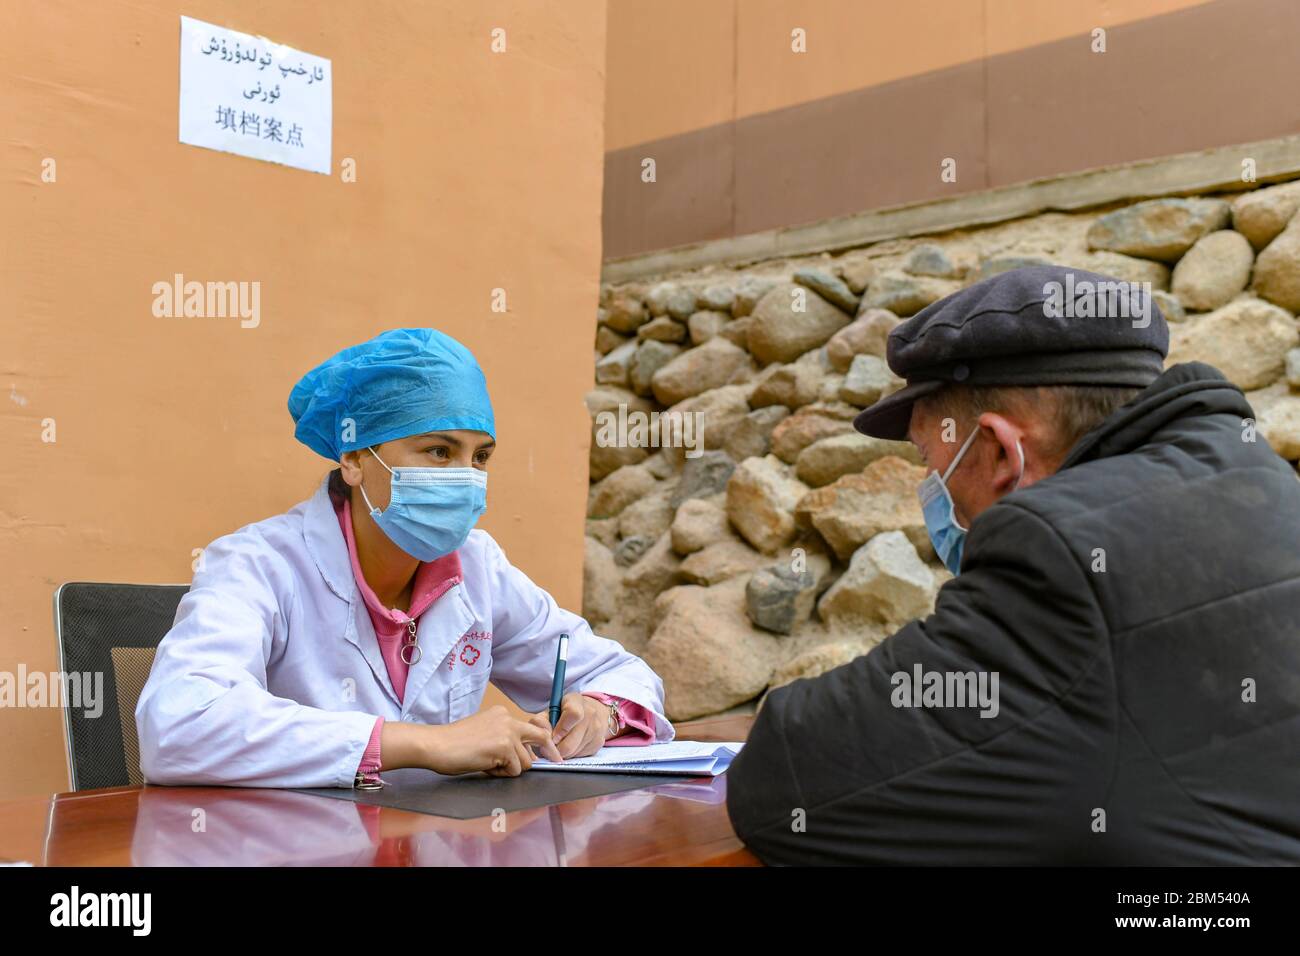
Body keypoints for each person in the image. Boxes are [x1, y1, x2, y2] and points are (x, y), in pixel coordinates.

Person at [726, 265, 1300, 864]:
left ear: (1001, 449)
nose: (930, 484)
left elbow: (787, 779)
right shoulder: (1266, 487)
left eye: (930, 456)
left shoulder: (1057, 557)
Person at [136, 328, 672, 789]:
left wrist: (601, 710)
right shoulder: (258, 563)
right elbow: (180, 723)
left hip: (436, 839)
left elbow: (621, 671)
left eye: (479, 456)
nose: (466, 476)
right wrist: (421, 745)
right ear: (353, 458)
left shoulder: (477, 566)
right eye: (439, 451)